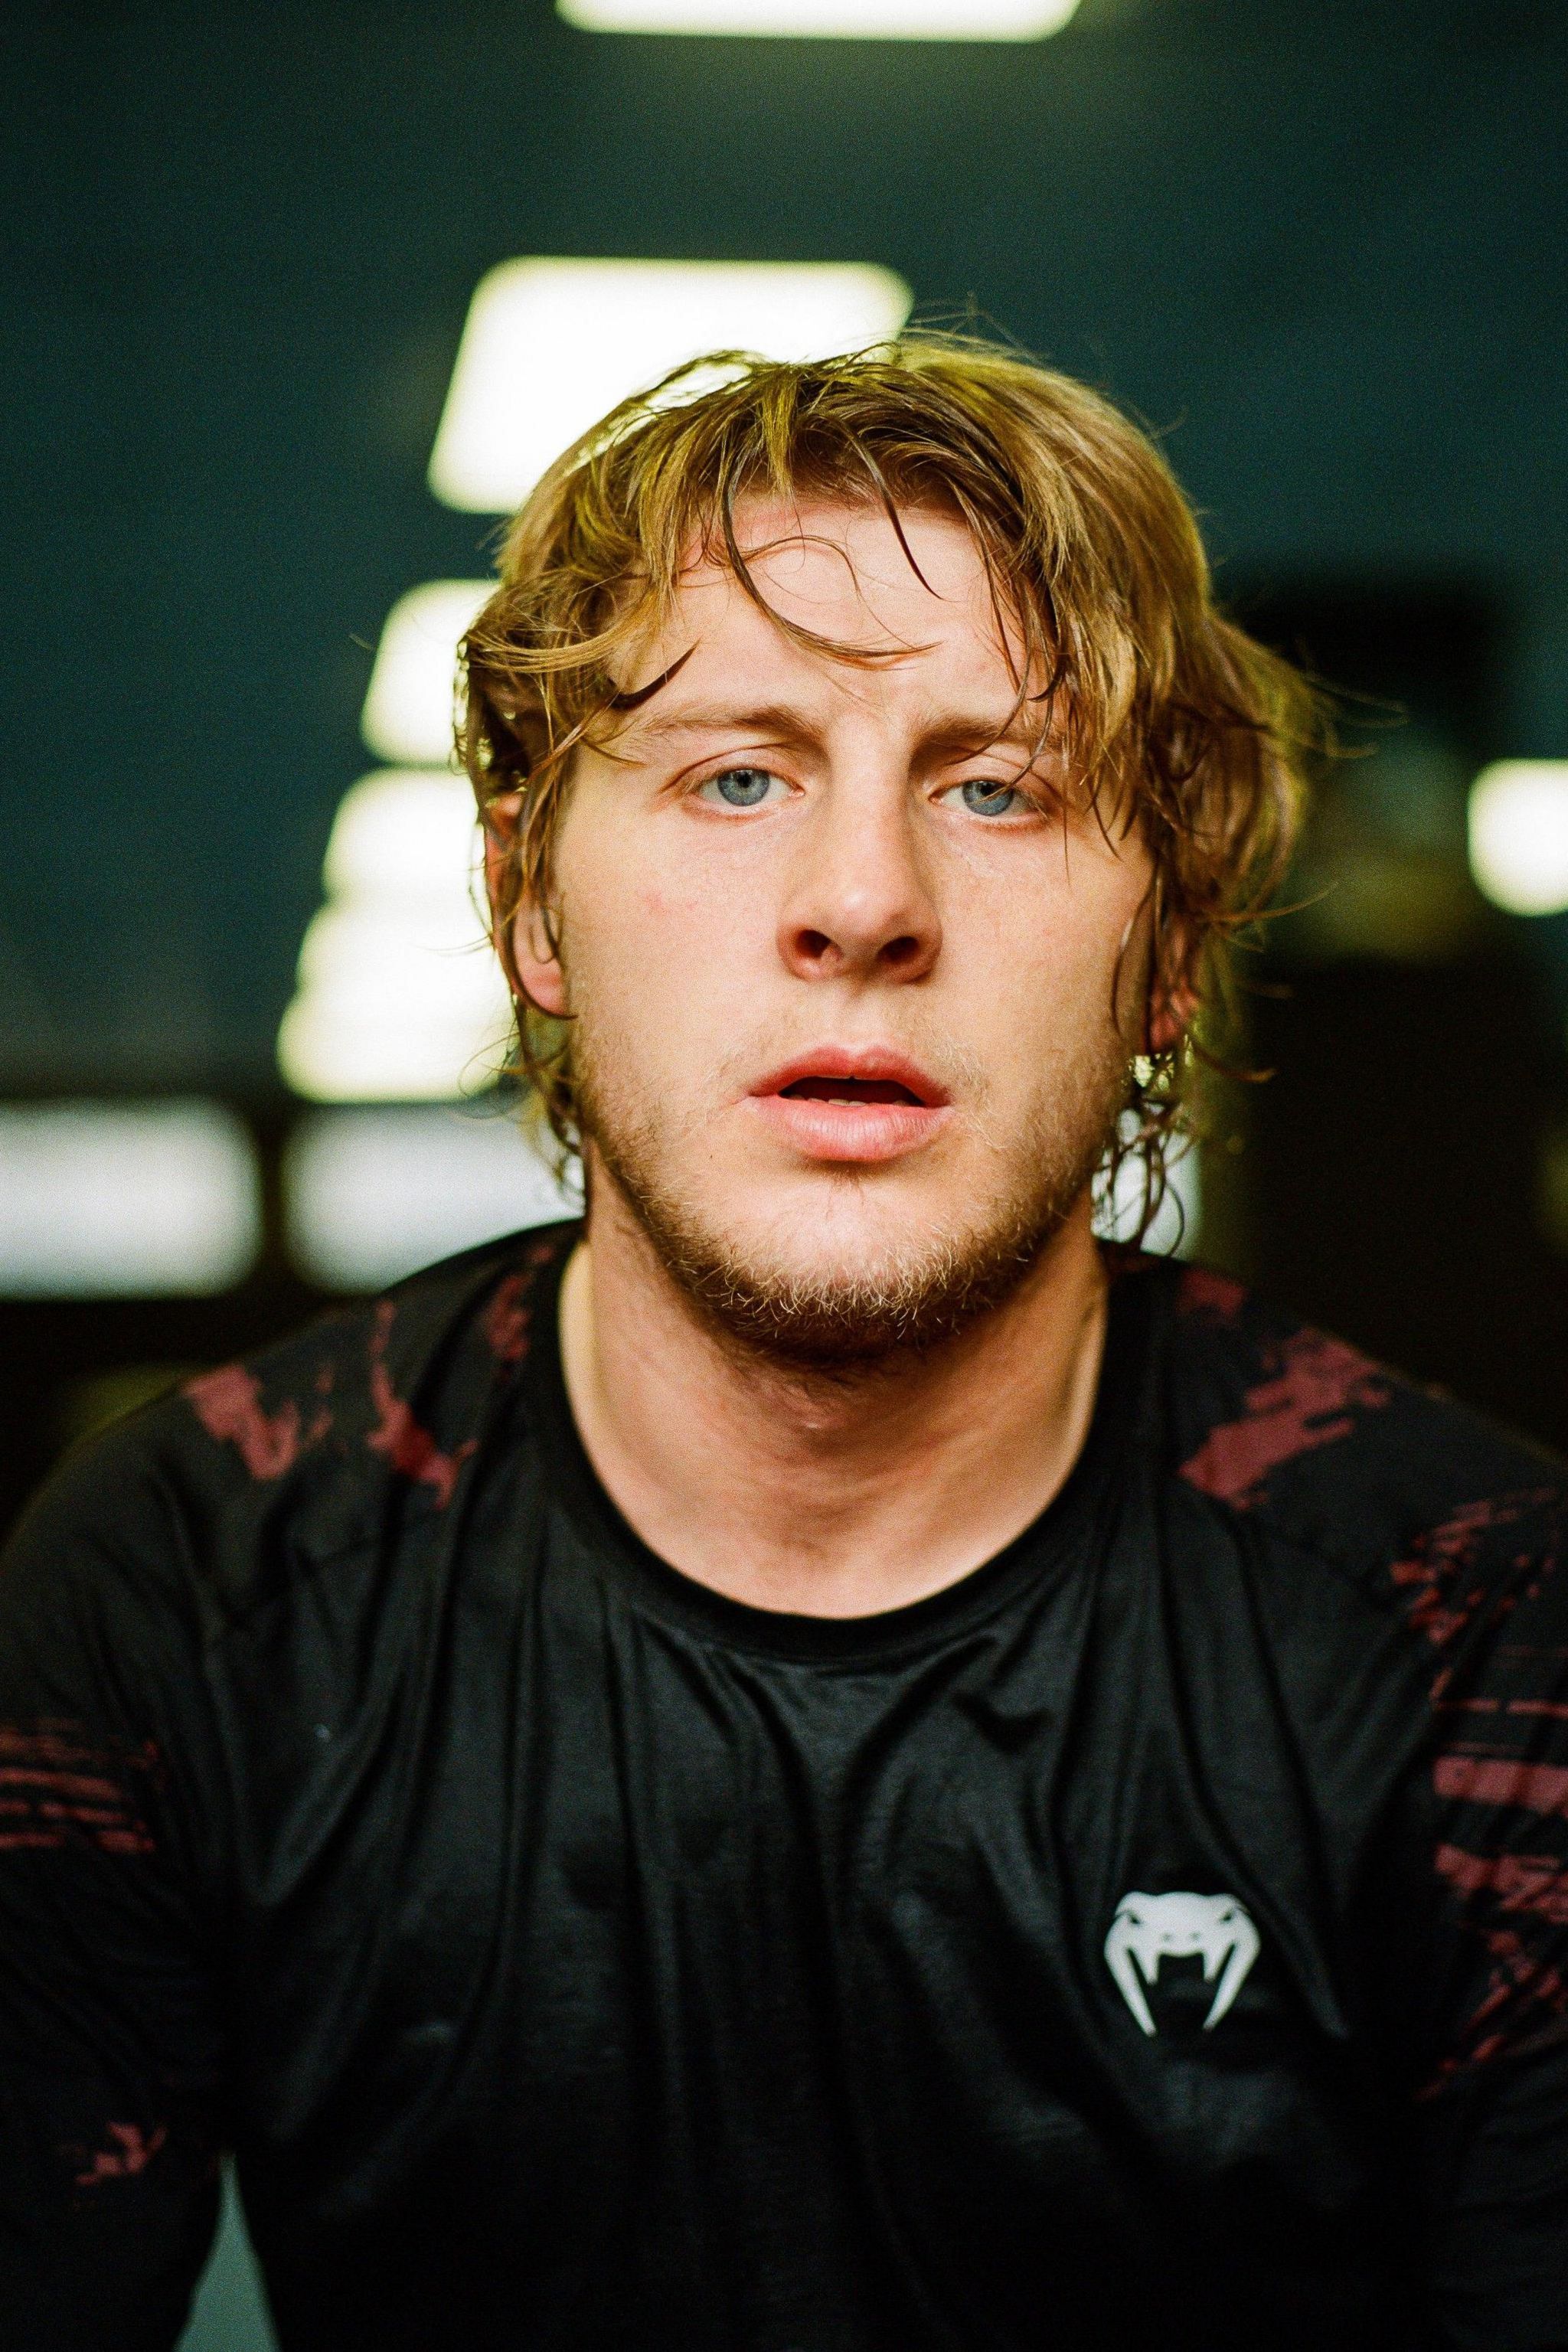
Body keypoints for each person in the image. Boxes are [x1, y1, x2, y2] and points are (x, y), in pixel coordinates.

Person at [2, 341, 1565, 2352]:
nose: (859, 901)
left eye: (998, 785)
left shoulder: (1482, 1627)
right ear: (529, 910)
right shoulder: (187, 1592)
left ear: (1168, 948)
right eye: (739, 774)